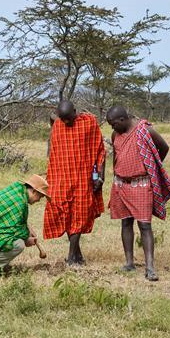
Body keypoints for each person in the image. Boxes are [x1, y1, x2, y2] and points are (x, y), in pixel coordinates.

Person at [105, 106, 170, 281]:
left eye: (114, 124)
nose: (112, 128)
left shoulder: (145, 130)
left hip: (142, 183)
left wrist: (151, 164)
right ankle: (129, 262)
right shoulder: (116, 135)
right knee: (125, 223)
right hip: (121, 183)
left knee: (145, 225)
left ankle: (150, 267)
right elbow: (116, 155)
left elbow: (164, 147)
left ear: (122, 120)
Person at [43, 100, 106, 266]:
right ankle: (77, 256)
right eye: (63, 119)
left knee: (79, 214)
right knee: (62, 211)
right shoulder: (58, 124)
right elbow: (53, 120)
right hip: (60, 177)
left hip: (82, 178)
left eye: (69, 118)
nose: (66, 122)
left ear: (75, 111)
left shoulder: (89, 123)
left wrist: (100, 176)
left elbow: (99, 149)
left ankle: (71, 257)